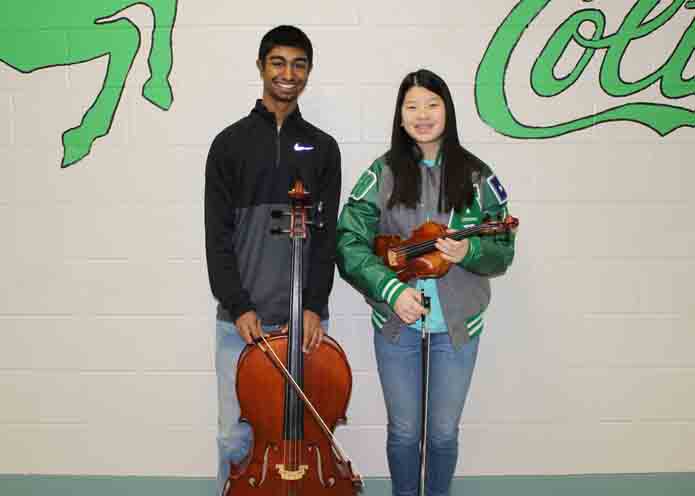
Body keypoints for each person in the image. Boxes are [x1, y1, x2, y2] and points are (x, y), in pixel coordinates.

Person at [336, 69, 515, 496]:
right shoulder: (381, 173)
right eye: (412, 106)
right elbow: (348, 241)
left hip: (456, 331)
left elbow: (503, 249)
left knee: (442, 435)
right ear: (400, 117)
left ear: (447, 112)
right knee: (402, 432)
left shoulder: (477, 176)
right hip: (397, 328)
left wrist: (470, 252)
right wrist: (391, 289)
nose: (422, 115)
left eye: (432, 105)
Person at [204, 25, 341, 496]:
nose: (288, 73)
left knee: (303, 437)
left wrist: (314, 306)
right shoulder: (228, 144)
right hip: (241, 323)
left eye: (299, 64)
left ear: (308, 72)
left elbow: (326, 239)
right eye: (278, 62)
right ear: (261, 66)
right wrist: (238, 305)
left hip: (301, 324)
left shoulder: (323, 148)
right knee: (235, 437)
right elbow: (216, 239)